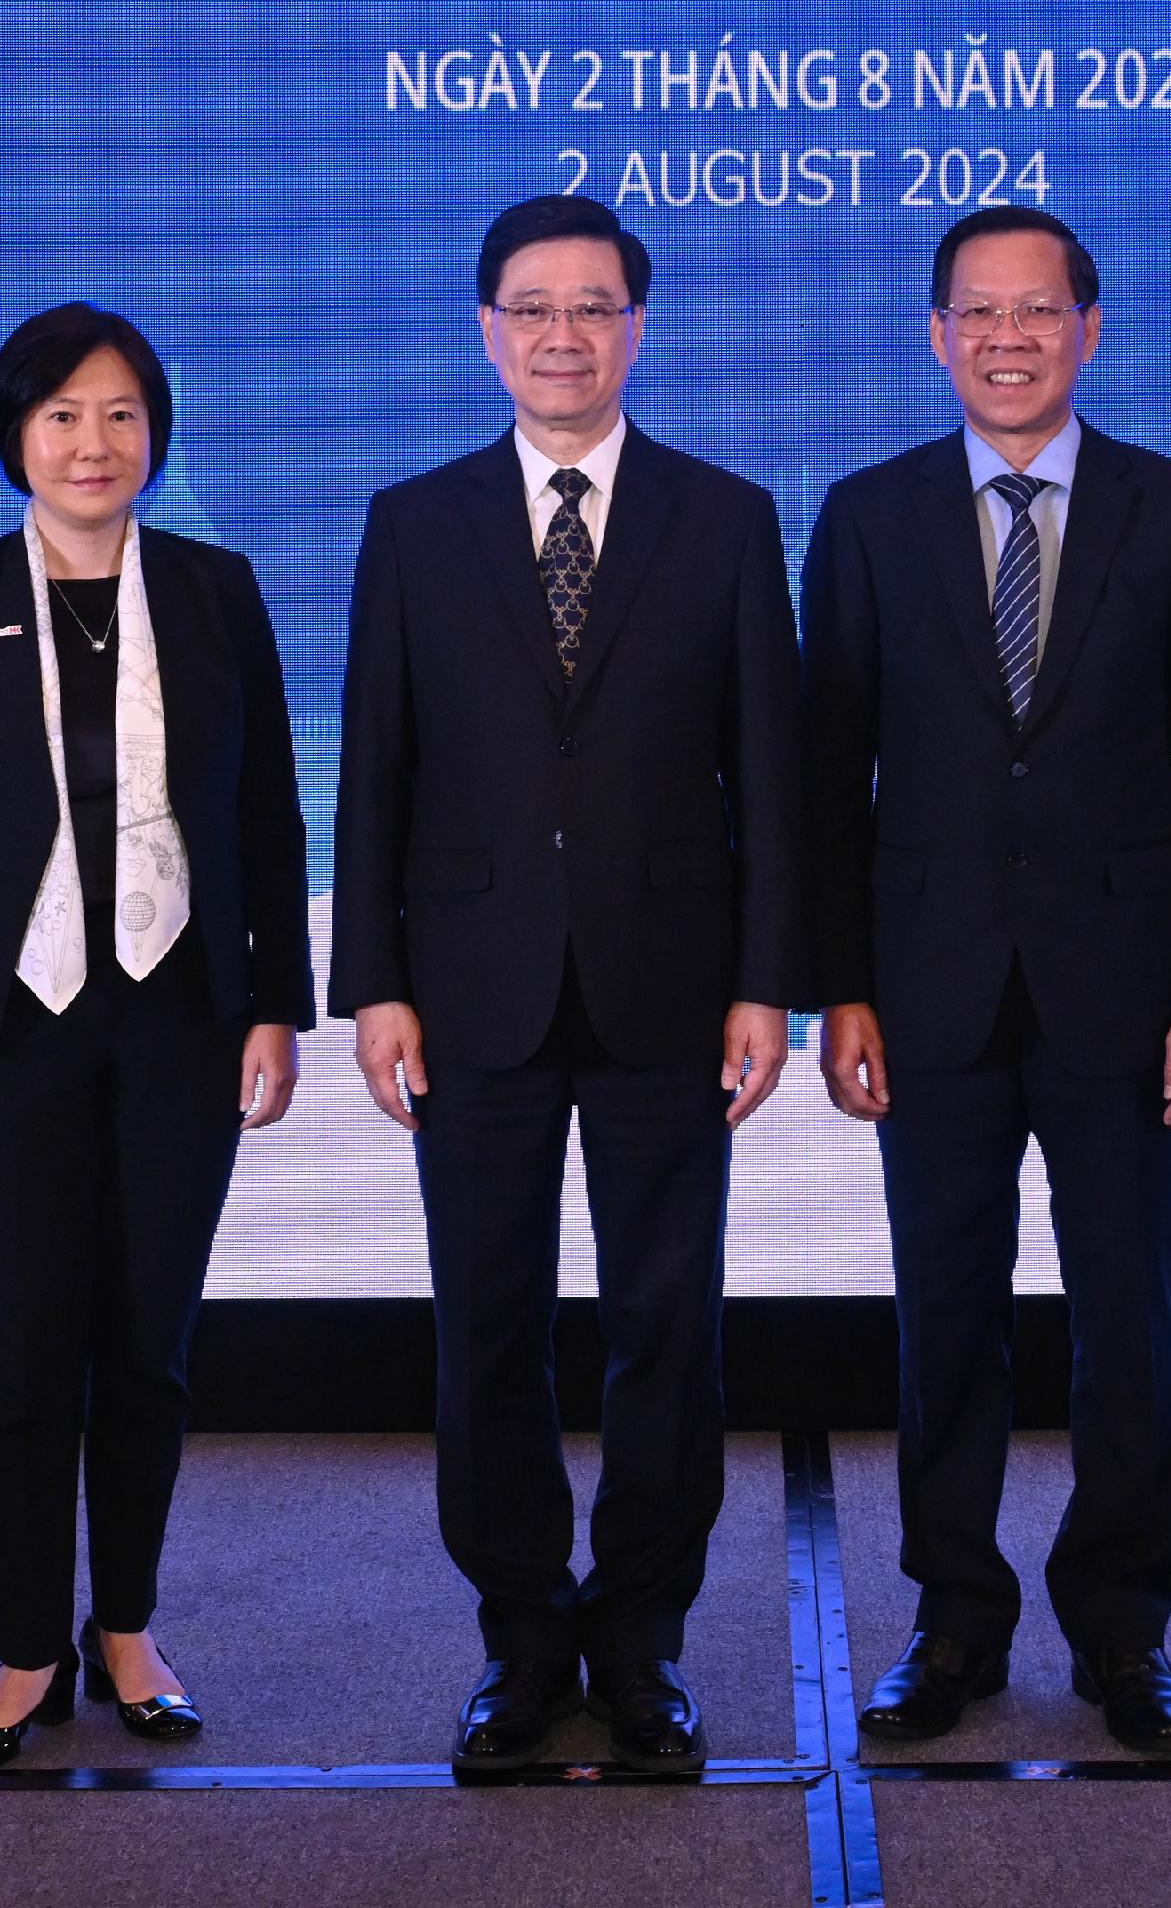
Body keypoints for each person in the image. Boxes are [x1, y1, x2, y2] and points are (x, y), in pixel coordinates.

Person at [333, 196, 810, 1775]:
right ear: (487, 333)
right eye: (532, 308)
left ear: (636, 328)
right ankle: (526, 1638)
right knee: (489, 1324)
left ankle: (643, 1639)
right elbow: (375, 776)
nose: (562, 335)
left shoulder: (727, 520)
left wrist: (768, 982)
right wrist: (374, 982)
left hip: (673, 989)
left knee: (667, 1325)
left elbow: (770, 777)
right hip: (470, 992)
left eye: (593, 308)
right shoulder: (413, 522)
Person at [803, 207, 1171, 1755]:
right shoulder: (864, 519)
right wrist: (838, 988)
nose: (1010, 337)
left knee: (1128, 1316)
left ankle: (1126, 1635)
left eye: (1039, 311)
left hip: (1127, 992)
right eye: (979, 314)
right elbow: (826, 778)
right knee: (947, 1318)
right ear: (938, 336)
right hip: (925, 988)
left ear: (1090, 327)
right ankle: (954, 1622)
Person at [0, 305, 312, 1772]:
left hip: (182, 1021)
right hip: (6, 1035)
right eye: (62, 415)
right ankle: (20, 1654)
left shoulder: (214, 590)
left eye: (122, 415)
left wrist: (275, 1003)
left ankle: (125, 1628)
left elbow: (265, 810)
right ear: (13, 434)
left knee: (147, 1345)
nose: (92, 443)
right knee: (20, 1352)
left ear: (156, 437)